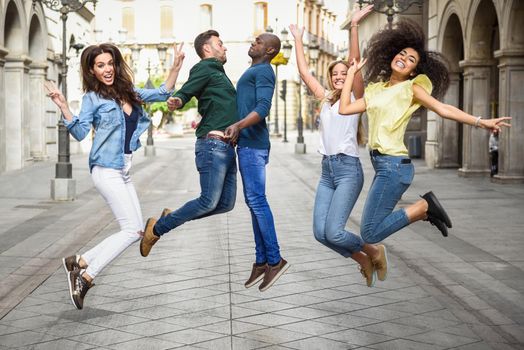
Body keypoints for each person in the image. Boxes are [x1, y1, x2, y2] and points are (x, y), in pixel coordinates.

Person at [338, 20, 511, 246]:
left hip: (394, 166)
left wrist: (481, 121)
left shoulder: (411, 88)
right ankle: (423, 212)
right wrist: (351, 73)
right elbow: (345, 109)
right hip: (382, 165)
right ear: (391, 55)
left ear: (413, 72)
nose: (404, 59)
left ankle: (423, 207)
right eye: (401, 54)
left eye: (411, 60)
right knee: (371, 228)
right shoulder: (376, 90)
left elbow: (443, 109)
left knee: (370, 234)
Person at [44, 42, 185, 309]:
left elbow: (163, 92)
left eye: (110, 63)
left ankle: (79, 262)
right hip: (105, 169)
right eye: (100, 65)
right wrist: (63, 106)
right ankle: (85, 276)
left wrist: (176, 65)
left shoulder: (129, 92)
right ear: (92, 70)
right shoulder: (92, 99)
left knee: (135, 230)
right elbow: (80, 132)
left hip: (124, 170)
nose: (107, 69)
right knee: (132, 230)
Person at [288, 4, 386, 288]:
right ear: (331, 78)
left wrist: (354, 26)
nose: (340, 76)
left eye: (344, 72)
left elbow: (354, 60)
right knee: (321, 233)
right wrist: (296, 40)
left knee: (335, 231)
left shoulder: (354, 99)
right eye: (335, 74)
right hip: (327, 171)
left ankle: (373, 250)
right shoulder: (327, 99)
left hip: (348, 171)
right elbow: (306, 73)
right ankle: (364, 260)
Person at [140, 30, 238, 257]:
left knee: (225, 204)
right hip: (213, 146)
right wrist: (179, 99)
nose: (225, 48)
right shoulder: (205, 67)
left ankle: (169, 218)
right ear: (207, 49)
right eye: (220, 44)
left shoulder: (218, 73)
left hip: (226, 147)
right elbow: (188, 88)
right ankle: (157, 229)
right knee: (207, 201)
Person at [224, 33, 289, 292]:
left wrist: (238, 126)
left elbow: (263, 108)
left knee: (257, 202)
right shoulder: (255, 70)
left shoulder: (264, 71)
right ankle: (262, 260)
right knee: (253, 203)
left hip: (253, 145)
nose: (253, 42)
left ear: (270, 50)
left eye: (259, 41)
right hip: (248, 145)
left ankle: (275, 259)